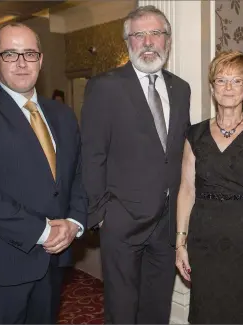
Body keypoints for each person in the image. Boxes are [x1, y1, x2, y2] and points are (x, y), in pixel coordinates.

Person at [0, 22, 87, 324]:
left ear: (41, 60)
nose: (22, 63)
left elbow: (78, 175)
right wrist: (45, 231)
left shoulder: (63, 115)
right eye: (11, 54)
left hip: (52, 264)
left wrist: (74, 222)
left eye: (30, 54)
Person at [81, 5, 191, 324]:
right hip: (122, 222)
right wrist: (102, 214)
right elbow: (92, 154)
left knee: (157, 308)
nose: (147, 42)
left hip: (167, 223)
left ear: (167, 41)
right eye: (138, 34)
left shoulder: (180, 89)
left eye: (155, 33)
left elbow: (177, 151)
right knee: (123, 309)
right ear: (127, 42)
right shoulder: (105, 87)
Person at [175, 50, 243, 324]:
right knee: (207, 311)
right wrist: (180, 242)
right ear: (212, 88)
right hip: (205, 239)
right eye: (221, 80)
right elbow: (187, 189)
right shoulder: (195, 134)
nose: (228, 87)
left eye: (237, 81)